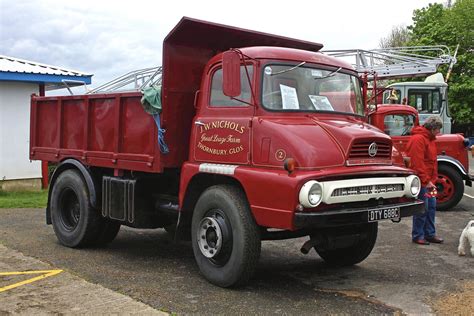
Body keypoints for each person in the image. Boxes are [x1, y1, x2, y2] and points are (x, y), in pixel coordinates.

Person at [406, 116, 444, 245]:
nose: (439, 132)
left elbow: (431, 162)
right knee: (422, 208)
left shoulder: (430, 139)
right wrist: (426, 180)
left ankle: (429, 233)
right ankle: (418, 235)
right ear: (433, 128)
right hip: (423, 182)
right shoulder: (419, 139)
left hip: (429, 181)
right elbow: (417, 163)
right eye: (438, 129)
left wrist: (433, 179)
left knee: (431, 207)